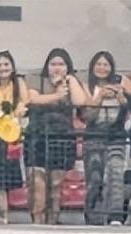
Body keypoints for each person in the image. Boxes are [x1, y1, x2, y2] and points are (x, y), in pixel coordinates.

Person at [27, 48, 89, 225]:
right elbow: (33, 99)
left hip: (62, 137)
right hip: (37, 136)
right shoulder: (35, 79)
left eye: (61, 64)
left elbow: (80, 102)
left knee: (56, 185)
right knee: (37, 184)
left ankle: (53, 221)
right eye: (53, 64)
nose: (57, 68)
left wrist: (69, 80)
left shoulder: (72, 82)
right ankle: (37, 222)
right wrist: (57, 95)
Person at [80, 51, 131, 226]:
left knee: (116, 175)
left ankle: (115, 216)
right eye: (98, 64)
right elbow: (87, 116)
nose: (102, 68)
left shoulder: (122, 82)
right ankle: (93, 218)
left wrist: (122, 97)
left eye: (106, 64)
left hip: (116, 136)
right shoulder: (86, 86)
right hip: (93, 137)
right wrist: (100, 97)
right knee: (95, 178)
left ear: (111, 67)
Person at [0, 51, 28, 224]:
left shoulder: (19, 82)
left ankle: (8, 213)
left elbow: (25, 101)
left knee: (9, 178)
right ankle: (2, 216)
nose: (3, 68)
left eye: (6, 64)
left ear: (12, 66)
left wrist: (18, 112)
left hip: (13, 134)